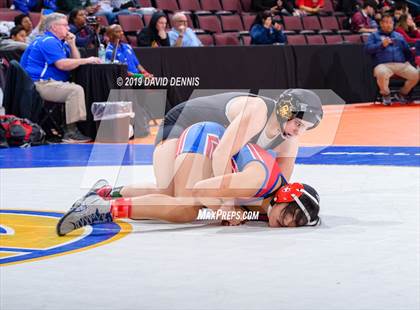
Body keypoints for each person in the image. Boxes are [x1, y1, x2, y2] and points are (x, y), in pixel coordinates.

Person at [56, 121, 321, 236]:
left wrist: (225, 209)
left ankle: (105, 192)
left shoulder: (269, 206)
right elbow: (201, 189)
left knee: (171, 193)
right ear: (284, 198)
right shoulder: (257, 180)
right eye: (288, 218)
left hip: (215, 153)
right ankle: (102, 209)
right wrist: (223, 207)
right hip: (208, 138)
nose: (285, 226)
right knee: (185, 204)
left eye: (293, 225)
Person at [152, 89, 322, 199]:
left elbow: (279, 186)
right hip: (180, 124)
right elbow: (221, 154)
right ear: (286, 111)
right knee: (169, 194)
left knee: (190, 198)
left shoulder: (289, 140)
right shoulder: (258, 112)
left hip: (207, 139)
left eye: (306, 128)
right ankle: (124, 194)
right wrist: (228, 205)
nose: (299, 132)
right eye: (298, 124)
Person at [20, 13, 102, 142]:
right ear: (54, 27)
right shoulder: (48, 42)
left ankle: (69, 127)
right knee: (75, 90)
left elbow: (75, 61)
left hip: (48, 82)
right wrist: (87, 60)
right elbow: (62, 65)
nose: (69, 28)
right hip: (40, 84)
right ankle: (70, 132)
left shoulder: (59, 42)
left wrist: (72, 44)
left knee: (75, 87)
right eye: (65, 25)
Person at [365, 13, 419, 105]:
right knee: (381, 72)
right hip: (383, 65)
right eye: (386, 22)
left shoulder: (399, 36)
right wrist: (381, 45)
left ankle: (402, 94)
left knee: (416, 74)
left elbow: (407, 52)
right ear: (381, 23)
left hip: (401, 64)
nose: (388, 24)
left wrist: (410, 62)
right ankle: (386, 94)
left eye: (391, 22)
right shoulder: (374, 36)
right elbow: (367, 49)